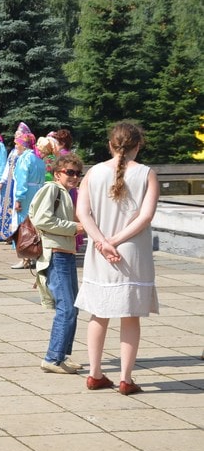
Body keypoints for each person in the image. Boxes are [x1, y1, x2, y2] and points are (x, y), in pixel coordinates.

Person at [75, 122, 159, 396]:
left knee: (98, 312)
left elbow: (83, 213)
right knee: (130, 315)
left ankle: (95, 373)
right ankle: (125, 378)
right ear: (139, 145)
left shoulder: (93, 173)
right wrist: (116, 240)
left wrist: (102, 241)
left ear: (110, 145)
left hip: (100, 252)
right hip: (132, 251)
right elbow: (146, 217)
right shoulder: (147, 174)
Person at [29, 153, 86, 374]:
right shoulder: (52, 189)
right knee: (66, 307)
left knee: (72, 307)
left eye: (78, 173)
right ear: (57, 173)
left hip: (66, 253)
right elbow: (42, 220)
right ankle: (52, 358)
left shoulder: (66, 193)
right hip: (55, 254)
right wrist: (74, 227)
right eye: (69, 172)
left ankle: (61, 355)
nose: (74, 177)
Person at [11, 128, 47, 268]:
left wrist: (19, 198)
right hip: (38, 192)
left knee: (24, 225)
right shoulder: (38, 159)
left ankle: (26, 258)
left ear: (23, 145)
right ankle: (36, 254)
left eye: (17, 144)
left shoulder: (24, 159)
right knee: (35, 224)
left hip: (27, 194)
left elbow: (22, 180)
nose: (16, 147)